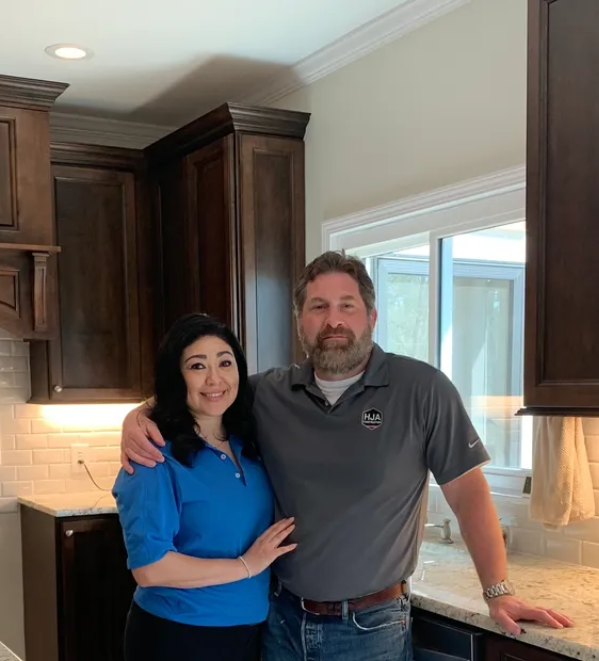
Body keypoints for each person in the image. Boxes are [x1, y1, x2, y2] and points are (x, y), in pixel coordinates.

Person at [120, 252, 573, 661]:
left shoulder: (422, 389)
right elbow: (203, 396)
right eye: (318, 307)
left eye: (346, 305)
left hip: (370, 629)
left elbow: (469, 495)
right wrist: (138, 416)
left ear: (372, 316)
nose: (332, 319)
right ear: (301, 322)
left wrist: (497, 591)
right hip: (278, 621)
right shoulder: (266, 393)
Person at [112, 313, 296, 661]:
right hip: (178, 636)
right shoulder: (152, 455)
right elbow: (150, 568)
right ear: (175, 377)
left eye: (225, 362)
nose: (215, 378)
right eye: (197, 366)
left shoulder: (248, 442)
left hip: (250, 631)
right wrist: (247, 565)